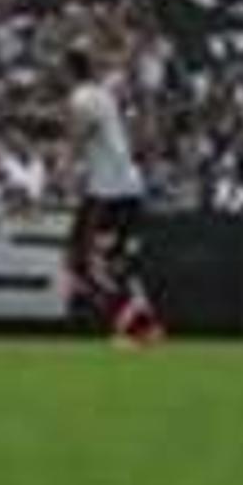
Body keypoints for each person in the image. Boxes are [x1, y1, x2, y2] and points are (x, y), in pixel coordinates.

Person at [60, 49, 162, 345]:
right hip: (123, 186)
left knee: (87, 263)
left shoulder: (81, 98)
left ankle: (134, 327)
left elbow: (83, 131)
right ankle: (143, 325)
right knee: (109, 263)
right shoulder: (103, 94)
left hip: (109, 191)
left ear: (69, 71)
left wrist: (66, 159)